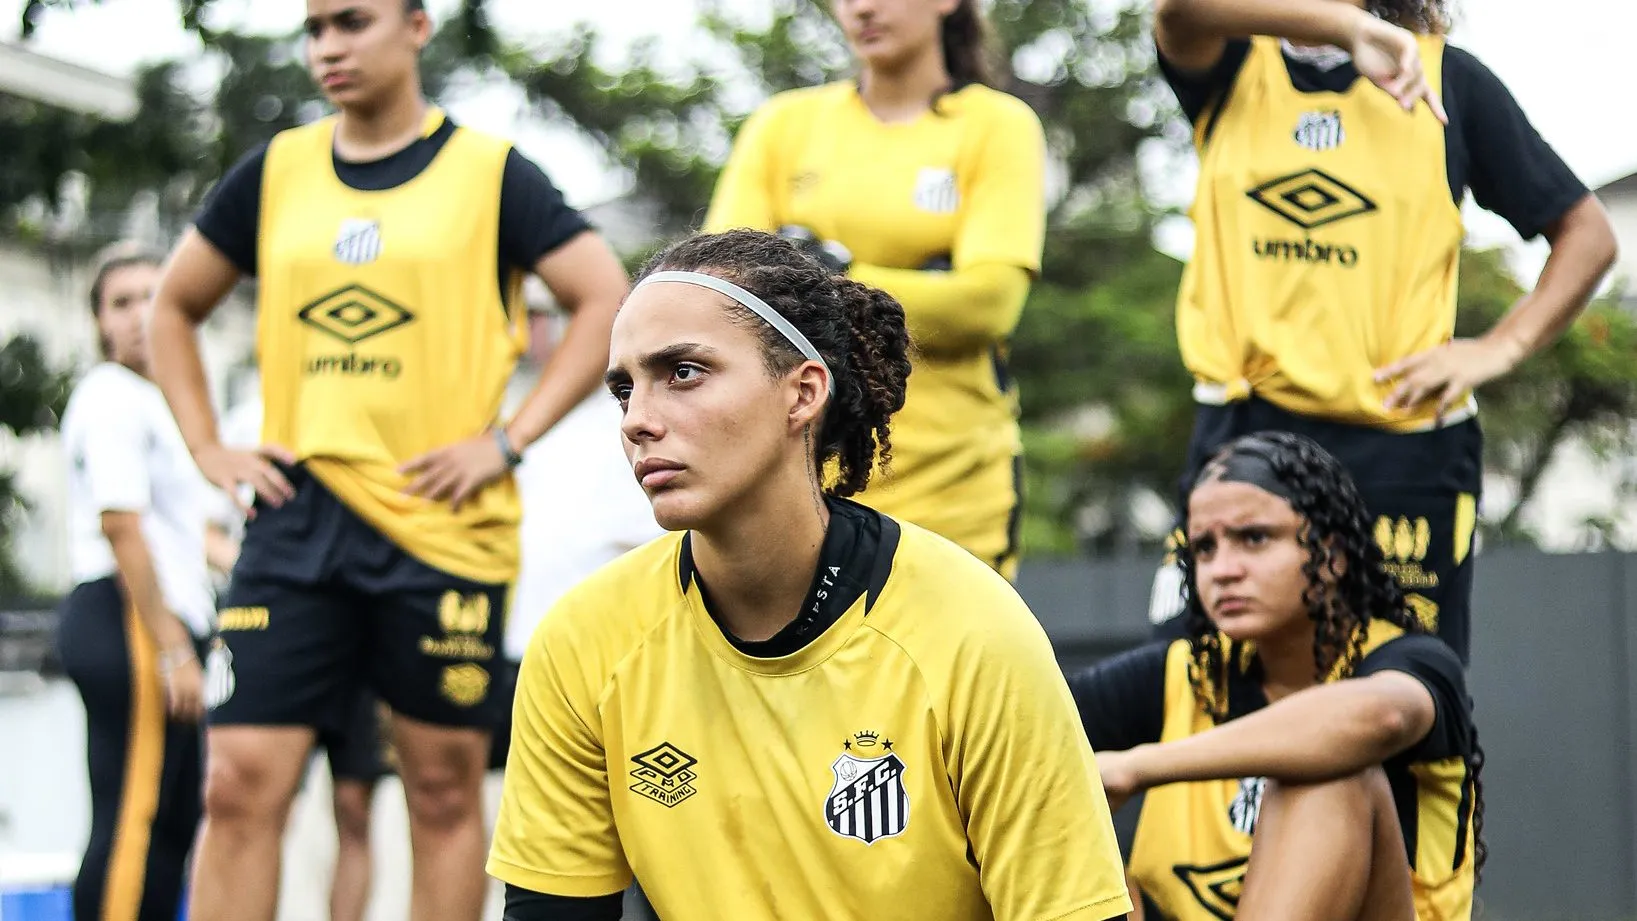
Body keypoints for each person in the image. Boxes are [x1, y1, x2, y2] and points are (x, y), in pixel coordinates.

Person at [487, 230, 1133, 921]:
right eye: (623, 388)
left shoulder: (973, 630)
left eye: (682, 372)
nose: (638, 420)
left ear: (802, 392)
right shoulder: (586, 638)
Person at [144, 3, 630, 921]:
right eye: (315, 27)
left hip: (441, 522)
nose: (329, 45)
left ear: (415, 25)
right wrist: (210, 446)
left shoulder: (491, 174)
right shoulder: (278, 170)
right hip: (296, 514)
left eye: (353, 21)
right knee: (238, 781)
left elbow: (604, 295)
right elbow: (172, 306)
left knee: (443, 791)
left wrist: (506, 440)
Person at [1146, 0, 1619, 662]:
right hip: (1245, 439)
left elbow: (1587, 235)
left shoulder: (1446, 81)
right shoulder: (1232, 65)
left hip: (1401, 452)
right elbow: (1174, 10)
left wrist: (1496, 347)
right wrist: (1348, 30)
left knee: (1395, 703)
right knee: (1198, 683)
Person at [1071, 432, 1483, 921]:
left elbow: (1382, 717)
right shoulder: (1187, 672)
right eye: (1204, 548)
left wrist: (1135, 767)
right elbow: (1013, 729)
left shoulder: (1410, 660)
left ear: (1332, 555)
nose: (1222, 570)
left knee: (1329, 771)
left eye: (1254, 538)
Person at [703, 0, 1046, 579]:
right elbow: (722, 290)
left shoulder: (997, 124)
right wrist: (921, 282)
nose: (861, 7)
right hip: (800, 483)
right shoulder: (783, 125)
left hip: (953, 484)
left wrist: (820, 272)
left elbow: (988, 304)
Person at [55, 244, 215, 921]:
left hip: (162, 618)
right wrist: (172, 645)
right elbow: (123, 526)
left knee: (168, 829)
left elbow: (191, 534)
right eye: (121, 301)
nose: (139, 315)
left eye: (154, 295)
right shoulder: (112, 395)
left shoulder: (165, 405)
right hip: (131, 617)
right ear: (98, 322)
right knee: (133, 821)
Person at [212, 388, 392, 921]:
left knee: (355, 807)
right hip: (282, 617)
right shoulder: (252, 413)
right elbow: (209, 529)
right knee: (249, 798)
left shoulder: (389, 402)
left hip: (368, 625)